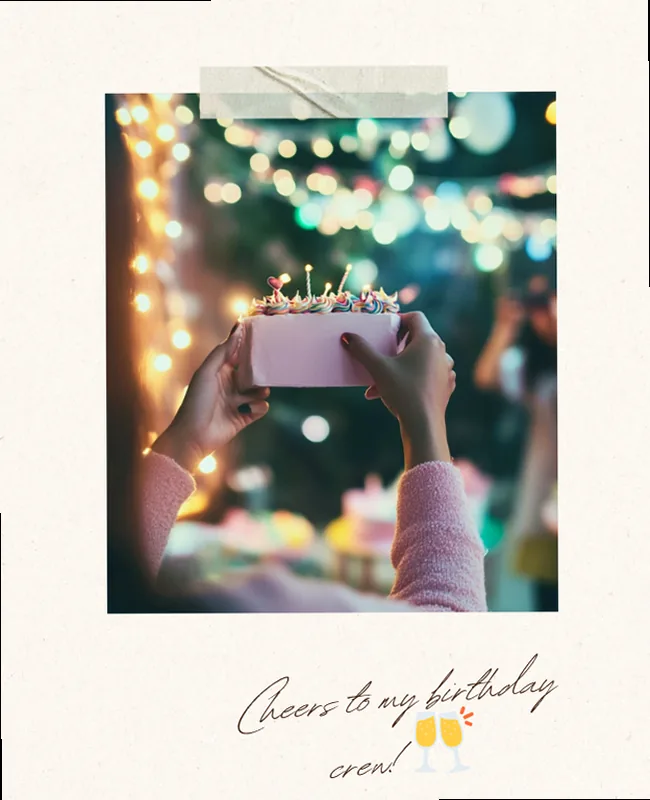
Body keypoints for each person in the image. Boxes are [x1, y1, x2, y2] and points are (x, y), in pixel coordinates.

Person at [106, 96, 487, 613]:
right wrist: (426, 426)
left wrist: (184, 444)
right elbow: (452, 625)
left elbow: (108, 569)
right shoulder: (262, 609)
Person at [474, 281, 558, 611]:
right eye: (540, 308)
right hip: (543, 498)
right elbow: (486, 375)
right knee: (549, 596)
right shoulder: (536, 370)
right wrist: (505, 325)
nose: (549, 316)